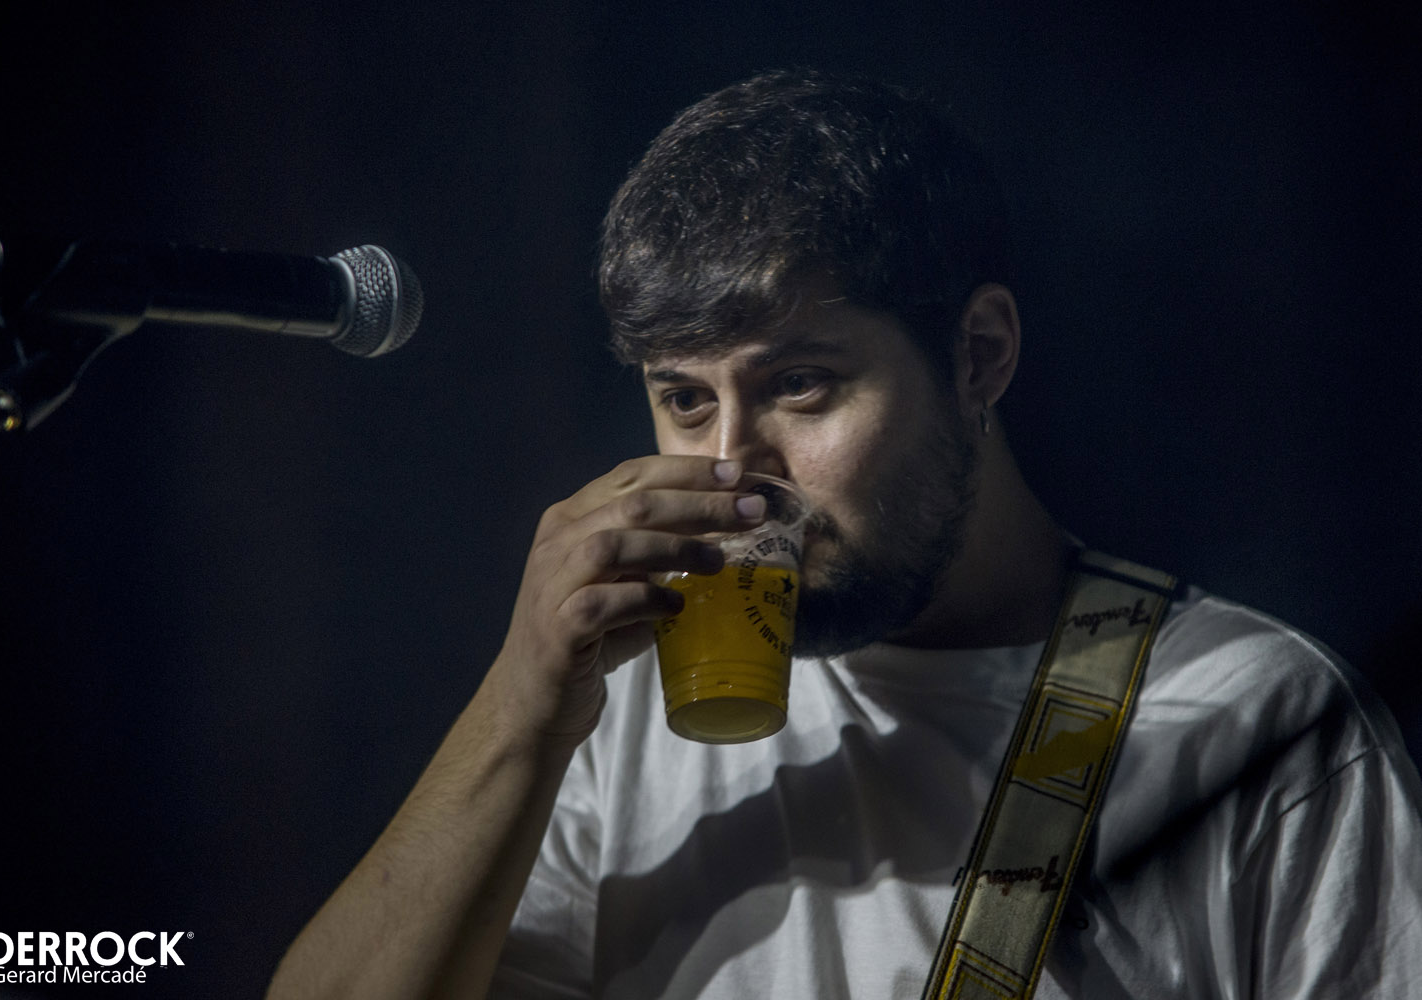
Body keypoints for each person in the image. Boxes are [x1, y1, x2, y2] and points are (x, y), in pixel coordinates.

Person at [267, 70, 1422, 1000]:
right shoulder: (606, 720)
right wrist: (519, 710)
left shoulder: (1263, 726)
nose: (734, 465)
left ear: (979, 355)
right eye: (685, 400)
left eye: (800, 385)